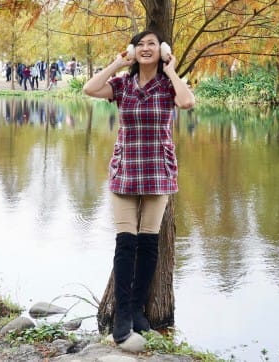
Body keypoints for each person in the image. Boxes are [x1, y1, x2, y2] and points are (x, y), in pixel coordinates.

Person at [82, 29, 195, 344]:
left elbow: (187, 101)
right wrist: (118, 62)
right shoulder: (122, 85)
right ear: (133, 51)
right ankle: (121, 316)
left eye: (152, 45)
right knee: (125, 244)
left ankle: (136, 311)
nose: (146, 49)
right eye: (140, 45)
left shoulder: (166, 85)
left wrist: (171, 68)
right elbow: (89, 88)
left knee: (148, 244)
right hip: (126, 171)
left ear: (162, 51)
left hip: (158, 171)